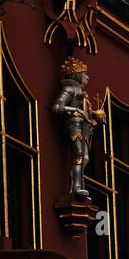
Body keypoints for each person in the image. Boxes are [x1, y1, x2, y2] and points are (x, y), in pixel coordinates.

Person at [52, 56, 102, 197]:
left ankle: (78, 185)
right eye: (85, 74)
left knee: (85, 158)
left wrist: (96, 116)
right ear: (78, 75)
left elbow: (86, 112)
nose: (87, 77)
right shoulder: (70, 88)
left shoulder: (82, 93)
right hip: (75, 124)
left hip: (85, 127)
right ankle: (76, 188)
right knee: (79, 155)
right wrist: (75, 110)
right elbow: (57, 107)